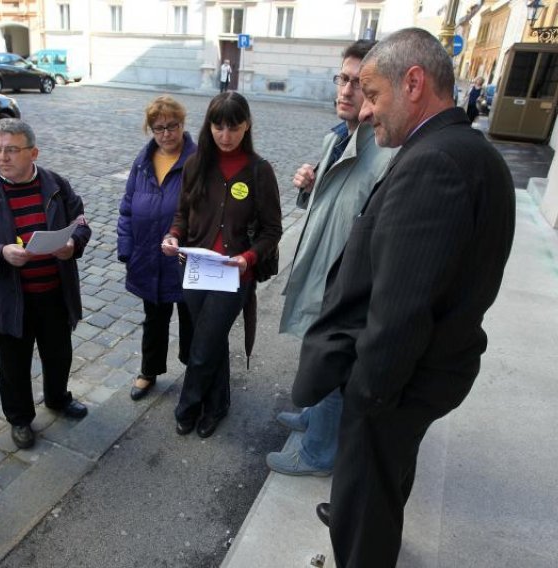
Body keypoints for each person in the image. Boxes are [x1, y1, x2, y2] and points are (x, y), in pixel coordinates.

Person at [292, 28, 515, 567]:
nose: (365, 112)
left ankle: (362, 531)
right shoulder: (463, 150)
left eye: (372, 94)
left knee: (366, 502)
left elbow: (400, 311)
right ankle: (363, 509)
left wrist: (364, 402)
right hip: (429, 371)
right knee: (383, 480)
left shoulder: (435, 163)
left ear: (413, 83)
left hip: (397, 384)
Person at [267, 40, 396, 477]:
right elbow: (327, 206)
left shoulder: (385, 151)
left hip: (345, 284)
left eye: (359, 84)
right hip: (321, 270)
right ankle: (313, 421)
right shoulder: (337, 137)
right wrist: (308, 184)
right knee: (316, 354)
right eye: (342, 79)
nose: (345, 90)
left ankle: (319, 452)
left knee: (334, 363)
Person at [0, 118, 91, 451]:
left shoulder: (57, 185)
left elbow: (80, 222)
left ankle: (58, 398)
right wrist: (1, 252)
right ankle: (19, 419)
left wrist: (72, 244)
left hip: (54, 294)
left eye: (11, 150)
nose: (2, 157)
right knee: (13, 365)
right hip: (9, 297)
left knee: (59, 354)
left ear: (33, 152)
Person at [162, 92, 282, 438]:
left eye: (233, 127)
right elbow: (183, 214)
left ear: (247, 126)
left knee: (202, 346)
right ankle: (218, 404)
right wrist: (173, 236)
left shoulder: (259, 171)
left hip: (234, 272)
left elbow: (272, 229)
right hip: (196, 266)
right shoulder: (196, 164)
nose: (225, 135)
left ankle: (188, 406)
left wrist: (247, 258)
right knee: (209, 339)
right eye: (219, 126)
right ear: (209, 125)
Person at [117, 95, 196, 401]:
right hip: (148, 257)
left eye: (171, 126)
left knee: (190, 319)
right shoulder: (143, 162)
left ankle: (193, 371)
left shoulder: (197, 160)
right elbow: (126, 208)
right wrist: (127, 249)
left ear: (182, 124)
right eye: (158, 128)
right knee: (154, 319)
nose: (165, 134)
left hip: (184, 258)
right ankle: (149, 371)